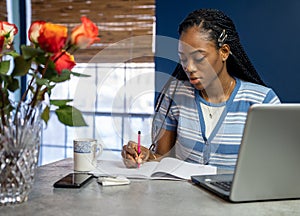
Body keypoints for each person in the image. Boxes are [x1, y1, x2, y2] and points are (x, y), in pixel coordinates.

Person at [121, 8, 280, 170]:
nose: (188, 67)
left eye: (199, 57)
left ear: (224, 52)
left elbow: (277, 164)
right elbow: (163, 157)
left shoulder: (262, 101)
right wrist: (146, 157)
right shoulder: (175, 94)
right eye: (183, 58)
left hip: (237, 194)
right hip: (182, 194)